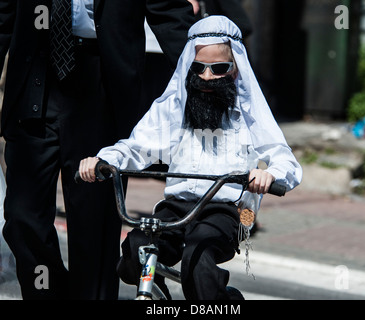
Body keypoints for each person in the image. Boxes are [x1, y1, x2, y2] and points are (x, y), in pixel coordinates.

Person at [79, 15, 302, 300]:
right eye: (199, 68)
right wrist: (104, 160)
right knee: (135, 251)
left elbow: (285, 160)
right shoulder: (175, 107)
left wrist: (270, 174)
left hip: (229, 211)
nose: (207, 77)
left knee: (198, 260)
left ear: (235, 70)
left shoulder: (248, 113)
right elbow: (137, 146)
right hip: (175, 209)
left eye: (218, 68)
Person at [0, 0, 195, 300]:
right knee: (21, 216)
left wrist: (202, 72)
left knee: (94, 229)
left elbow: (168, 12)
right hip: (35, 79)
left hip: (102, 85)